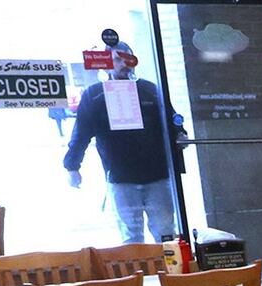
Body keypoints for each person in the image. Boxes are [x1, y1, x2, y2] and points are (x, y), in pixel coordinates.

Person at [63, 43, 187, 243]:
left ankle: (169, 273)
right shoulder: (94, 95)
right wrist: (72, 166)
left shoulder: (150, 91)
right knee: (131, 236)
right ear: (105, 63)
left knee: (166, 234)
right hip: (121, 177)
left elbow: (172, 122)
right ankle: (139, 274)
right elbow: (81, 134)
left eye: (127, 58)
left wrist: (180, 135)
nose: (123, 64)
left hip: (157, 175)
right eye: (117, 59)